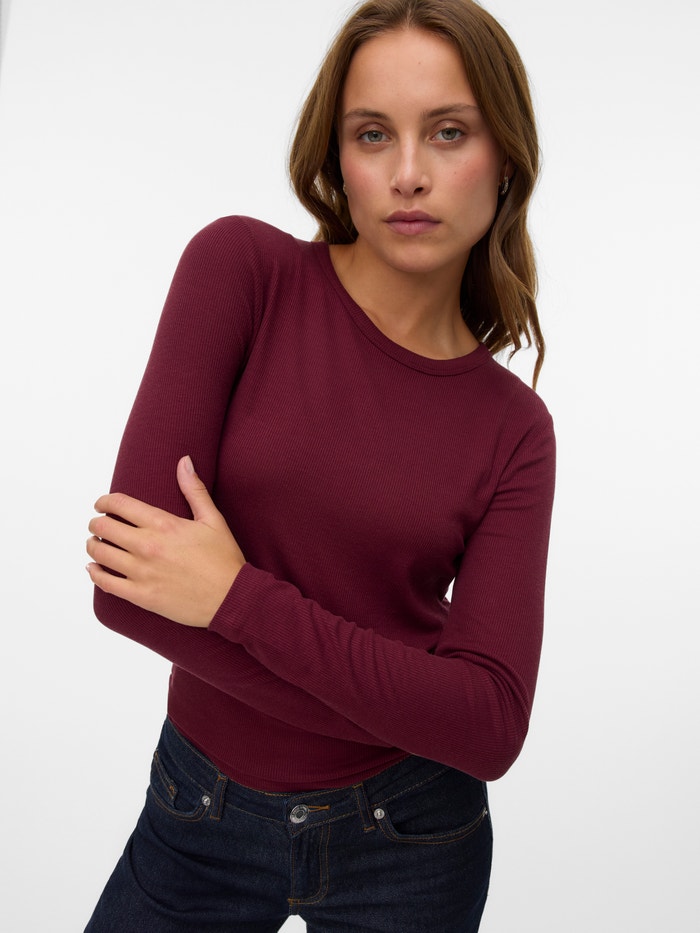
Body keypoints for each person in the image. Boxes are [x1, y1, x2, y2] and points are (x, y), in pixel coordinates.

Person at [84, 0, 555, 930]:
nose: (409, 173)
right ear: (336, 158)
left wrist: (233, 598)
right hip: (198, 815)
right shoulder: (242, 272)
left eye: (448, 132)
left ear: (504, 158)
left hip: (412, 840)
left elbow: (490, 727)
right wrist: (416, 703)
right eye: (373, 134)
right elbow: (126, 589)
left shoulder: (515, 429)